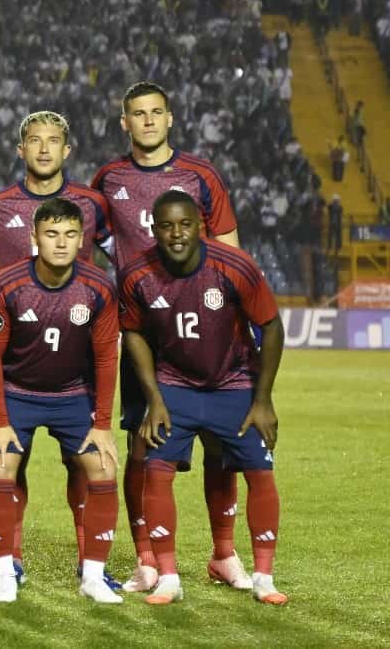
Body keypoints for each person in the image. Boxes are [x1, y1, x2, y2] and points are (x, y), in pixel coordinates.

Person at [91, 81, 248, 594]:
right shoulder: (108, 178)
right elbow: (90, 239)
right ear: (125, 123)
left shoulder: (200, 175)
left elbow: (231, 252)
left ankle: (224, 553)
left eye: (157, 112)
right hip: (144, 330)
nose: (149, 121)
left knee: (219, 446)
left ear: (170, 118)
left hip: (205, 330)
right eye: (138, 114)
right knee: (142, 443)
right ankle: (147, 559)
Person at [0, 111, 114, 588]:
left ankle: (88, 563)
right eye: (35, 141)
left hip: (77, 360)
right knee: (11, 460)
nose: (44, 149)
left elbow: (123, 256)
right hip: (15, 358)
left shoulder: (92, 205)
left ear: (67, 151)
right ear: (20, 149)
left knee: (83, 462)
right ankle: (13, 559)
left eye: (54, 142)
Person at [119, 190, 287, 606]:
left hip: (233, 384)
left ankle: (263, 576)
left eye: (185, 224)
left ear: (201, 225)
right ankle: (168, 576)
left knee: (259, 472)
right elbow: (134, 334)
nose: (176, 234)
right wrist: (154, 397)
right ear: (153, 228)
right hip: (175, 386)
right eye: (166, 226)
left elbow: (272, 326)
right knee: (156, 468)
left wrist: (262, 400)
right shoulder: (137, 274)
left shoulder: (235, 267)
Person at [0, 197, 121, 604]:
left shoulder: (97, 287)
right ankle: (4, 574)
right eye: (52, 234)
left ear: (83, 241)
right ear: (34, 238)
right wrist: (0, 421)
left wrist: (103, 423)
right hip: (16, 393)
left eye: (70, 235)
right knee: (1, 465)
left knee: (103, 468)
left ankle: (93, 576)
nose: (61, 243)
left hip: (72, 395)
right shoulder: (7, 284)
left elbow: (106, 357)